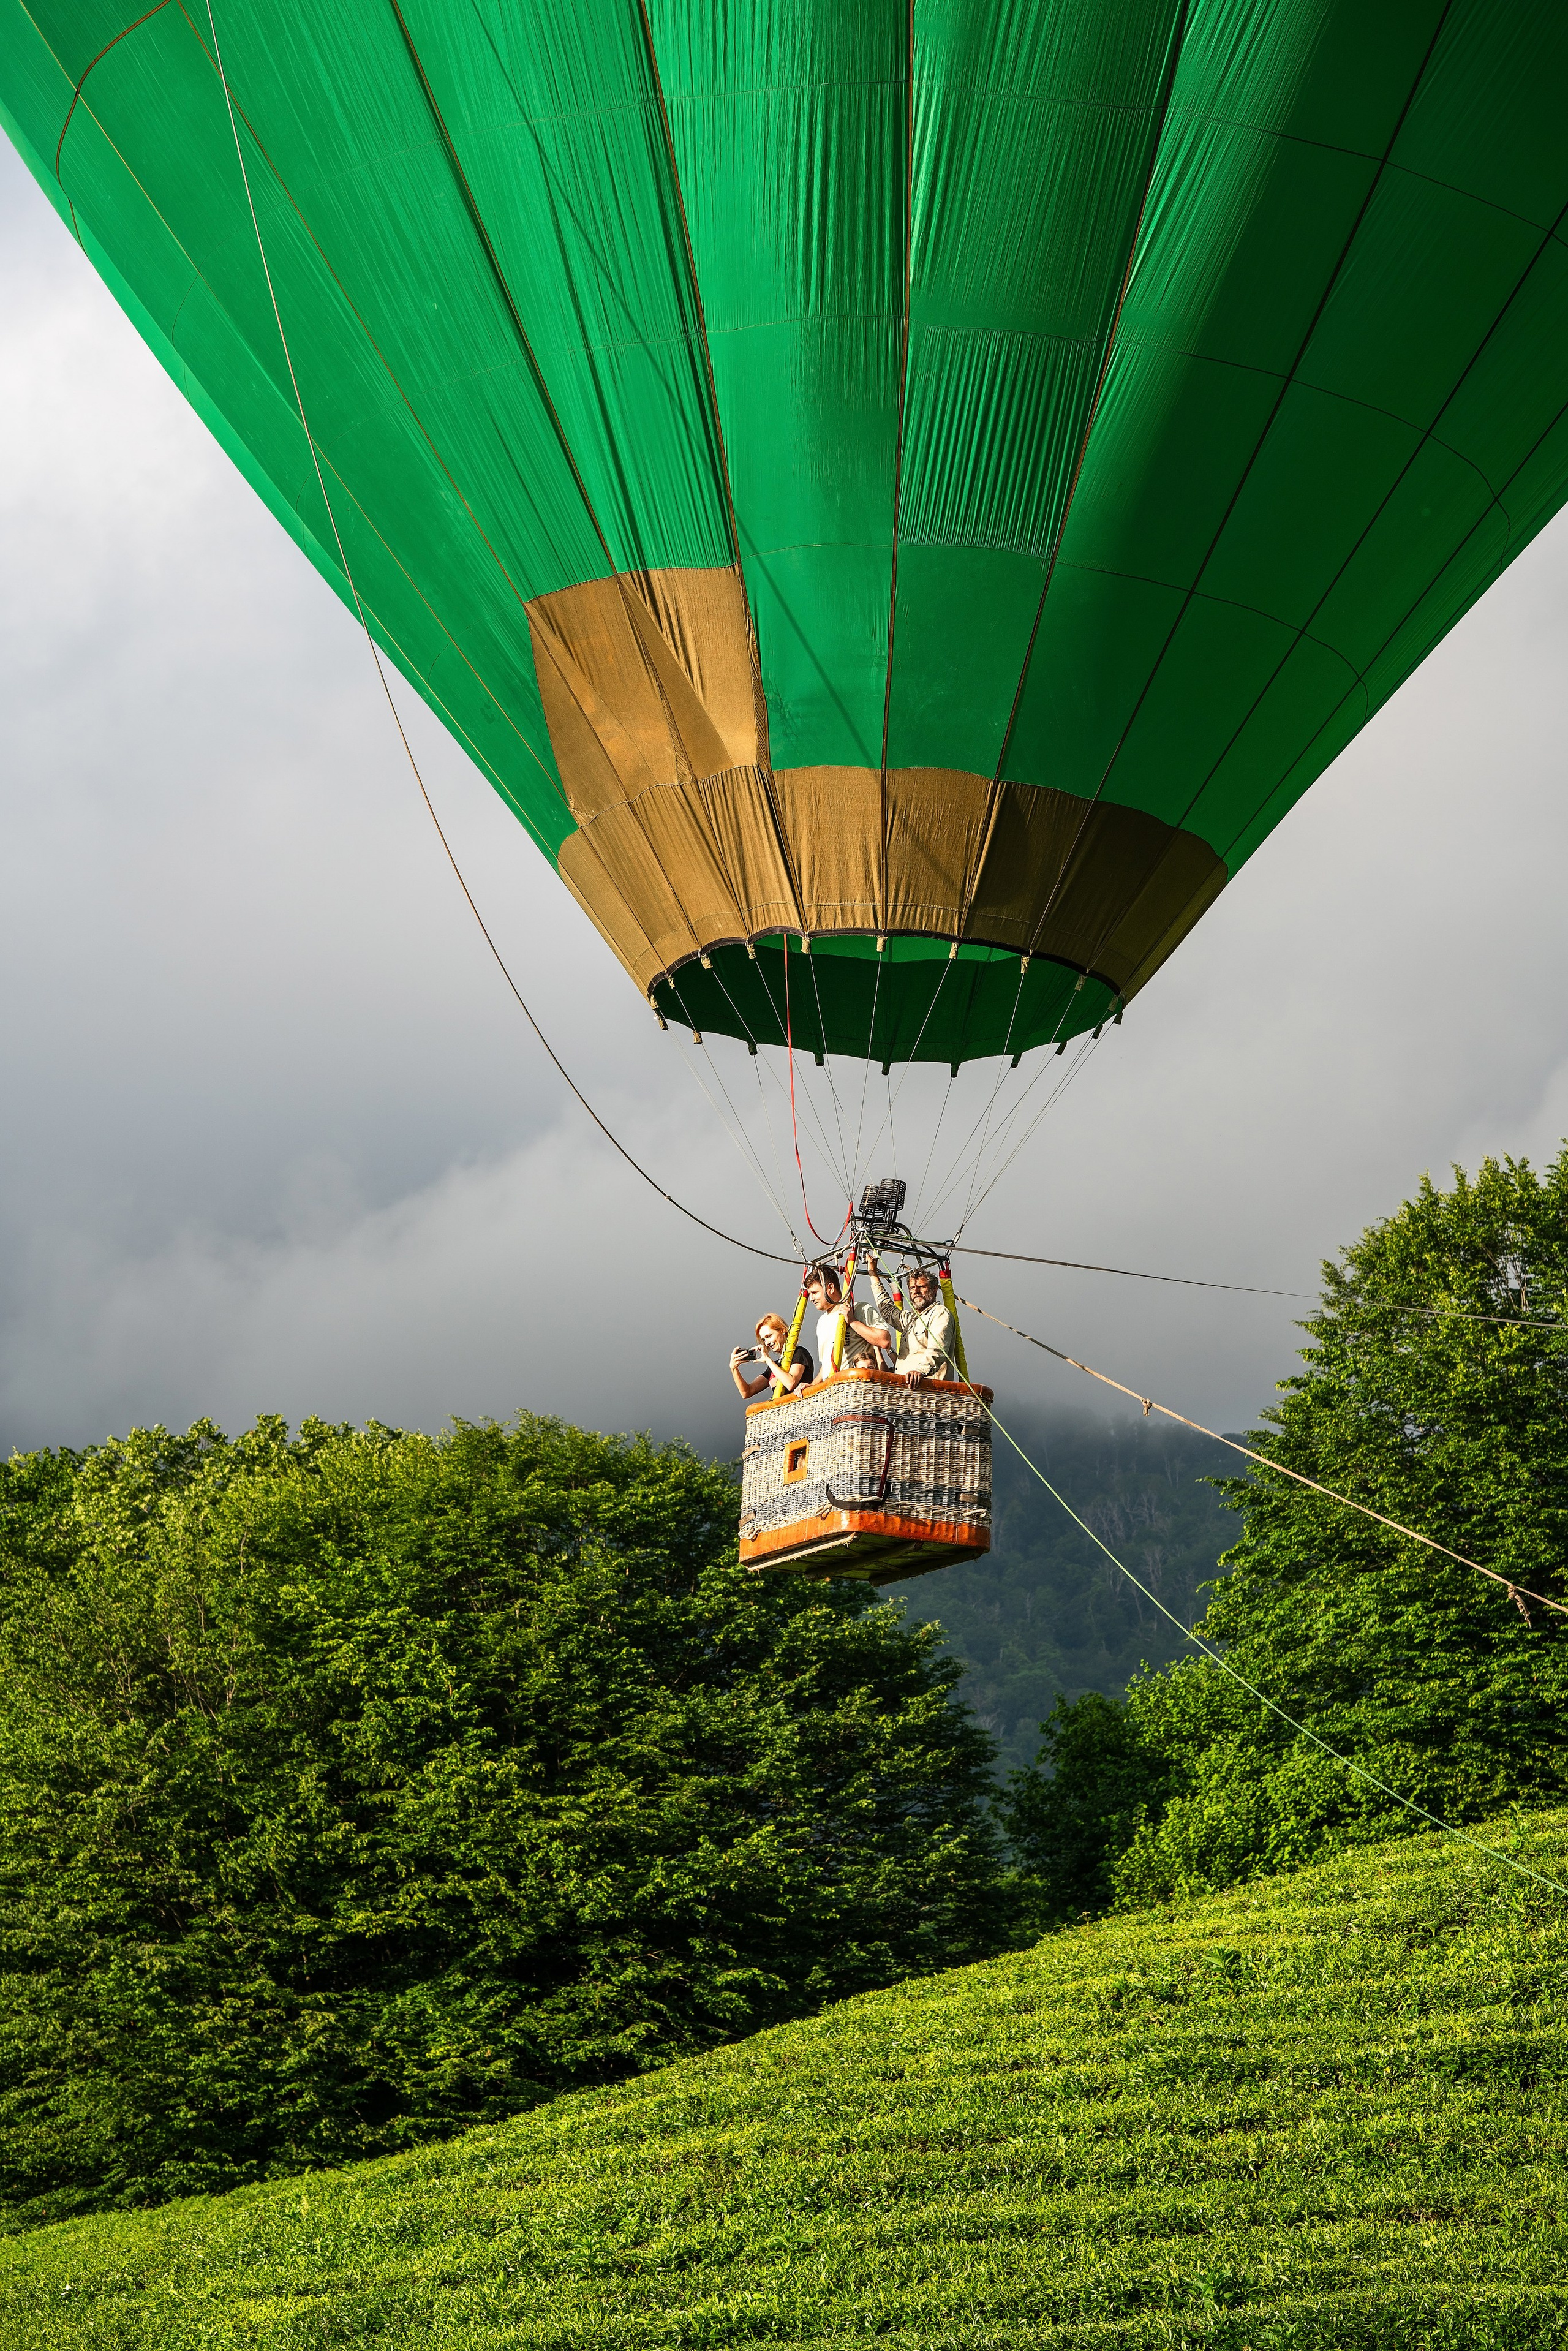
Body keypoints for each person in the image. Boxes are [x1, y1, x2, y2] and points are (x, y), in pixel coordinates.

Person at [869, 1261, 959, 1385]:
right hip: (908, 1391)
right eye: (912, 1288)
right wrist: (873, 1273)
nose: (916, 1291)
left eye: (921, 1287)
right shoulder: (911, 1319)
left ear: (934, 1290)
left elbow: (937, 1350)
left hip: (929, 1392)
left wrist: (920, 1371)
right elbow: (887, 1310)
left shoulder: (939, 1314)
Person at [806, 1263, 891, 1376]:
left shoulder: (860, 1309)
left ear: (830, 1288)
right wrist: (813, 1385)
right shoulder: (822, 1322)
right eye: (810, 1294)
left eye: (815, 1293)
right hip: (831, 1389)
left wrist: (853, 1321)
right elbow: (827, 1365)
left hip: (854, 1386)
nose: (811, 1299)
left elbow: (885, 1341)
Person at [730, 1312, 814, 1401]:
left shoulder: (799, 1353)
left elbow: (791, 1383)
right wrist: (734, 1368)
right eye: (764, 1340)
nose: (767, 1343)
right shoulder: (774, 1366)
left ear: (782, 1330)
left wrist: (768, 1360)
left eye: (769, 1336)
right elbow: (747, 1392)